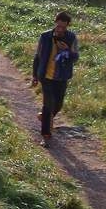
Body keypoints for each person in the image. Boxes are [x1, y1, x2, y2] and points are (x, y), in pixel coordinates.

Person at [30, 10, 79, 147]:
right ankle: (45, 135)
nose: (59, 29)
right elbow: (37, 56)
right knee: (48, 104)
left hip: (62, 77)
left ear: (67, 26)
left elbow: (75, 58)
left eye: (63, 27)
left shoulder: (72, 38)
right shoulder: (45, 37)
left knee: (58, 105)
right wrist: (34, 75)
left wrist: (67, 51)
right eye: (58, 26)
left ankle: (45, 117)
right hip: (45, 76)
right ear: (55, 23)